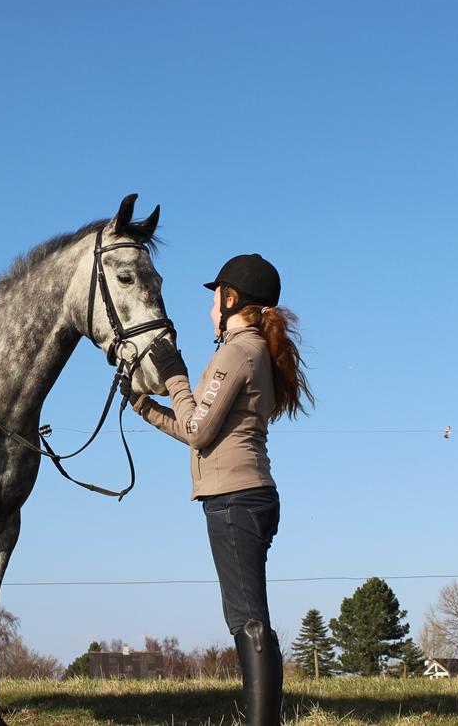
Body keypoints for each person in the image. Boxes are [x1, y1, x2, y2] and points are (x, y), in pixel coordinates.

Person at [130, 254, 313, 726]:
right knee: (251, 616)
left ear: (231, 299)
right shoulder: (254, 350)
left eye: (215, 299)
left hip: (235, 501)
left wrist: (173, 375)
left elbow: (196, 427)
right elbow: (203, 431)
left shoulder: (235, 352)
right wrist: (145, 407)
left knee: (246, 620)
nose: (210, 310)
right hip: (247, 495)